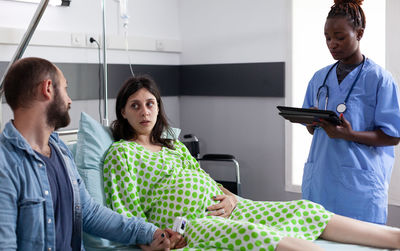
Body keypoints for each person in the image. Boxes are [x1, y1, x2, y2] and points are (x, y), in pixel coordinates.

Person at [104, 75, 400, 251]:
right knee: (254, 234)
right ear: (123, 113)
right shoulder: (122, 153)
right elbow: (124, 210)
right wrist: (148, 242)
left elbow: (205, 181)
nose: (145, 111)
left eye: (150, 103)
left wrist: (231, 199)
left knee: (304, 208)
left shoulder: (173, 146)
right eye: (135, 105)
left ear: (158, 108)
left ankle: (395, 238)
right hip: (190, 225)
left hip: (225, 207)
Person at [0, 57, 185, 251]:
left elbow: (89, 214)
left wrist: (151, 233)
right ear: (47, 89)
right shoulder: (6, 164)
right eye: (65, 88)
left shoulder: (60, 152)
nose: (70, 100)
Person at [302, 0, 400, 225]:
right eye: (327, 37)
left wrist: (349, 134)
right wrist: (312, 121)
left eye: (340, 37)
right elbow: (312, 129)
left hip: (359, 187)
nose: (332, 43)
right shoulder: (319, 78)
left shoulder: (379, 79)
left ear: (359, 33)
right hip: (321, 182)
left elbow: (392, 136)